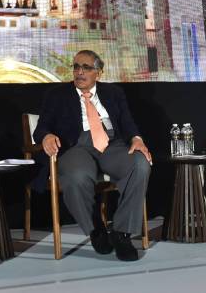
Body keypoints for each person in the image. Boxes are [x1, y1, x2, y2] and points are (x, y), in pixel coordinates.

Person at [33, 50, 151, 261]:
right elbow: (41, 128)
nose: (79, 72)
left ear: (99, 72)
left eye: (86, 67)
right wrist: (46, 136)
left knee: (140, 164)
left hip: (112, 144)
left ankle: (121, 233)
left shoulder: (114, 93)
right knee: (76, 176)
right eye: (76, 67)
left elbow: (127, 122)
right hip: (75, 146)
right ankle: (96, 229)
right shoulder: (56, 94)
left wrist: (137, 138)